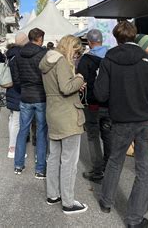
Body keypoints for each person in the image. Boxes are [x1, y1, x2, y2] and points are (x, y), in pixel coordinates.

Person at [94, 21, 148, 228]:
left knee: (114, 161)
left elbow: (100, 94)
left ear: (116, 38)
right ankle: (134, 219)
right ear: (135, 36)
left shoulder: (108, 60)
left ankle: (106, 202)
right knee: (144, 170)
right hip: (146, 121)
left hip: (120, 120)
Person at [40, 35, 88, 215]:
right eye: (76, 52)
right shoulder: (61, 61)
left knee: (54, 157)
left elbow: (60, 86)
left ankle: (53, 195)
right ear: (70, 47)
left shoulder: (48, 60)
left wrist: (74, 82)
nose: (76, 56)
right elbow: (66, 88)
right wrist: (80, 78)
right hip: (67, 114)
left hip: (53, 112)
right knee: (69, 160)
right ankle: (68, 202)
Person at [77, 29, 111, 182]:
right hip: (110, 103)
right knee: (108, 135)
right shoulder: (111, 56)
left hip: (92, 103)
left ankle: (97, 170)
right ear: (102, 41)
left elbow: (80, 81)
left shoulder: (85, 59)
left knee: (93, 136)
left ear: (89, 43)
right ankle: (110, 167)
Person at [14, 28, 48, 178]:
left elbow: (15, 78)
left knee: (23, 130)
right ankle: (40, 168)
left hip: (25, 96)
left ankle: (18, 165)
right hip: (40, 96)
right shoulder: (43, 54)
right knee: (41, 132)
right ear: (39, 38)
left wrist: (23, 88)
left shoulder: (18, 55)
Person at [5, 32, 28, 159]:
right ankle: (13, 148)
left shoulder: (10, 53)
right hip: (17, 91)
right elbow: (18, 76)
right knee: (17, 121)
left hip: (10, 89)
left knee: (12, 118)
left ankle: (12, 146)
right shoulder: (19, 54)